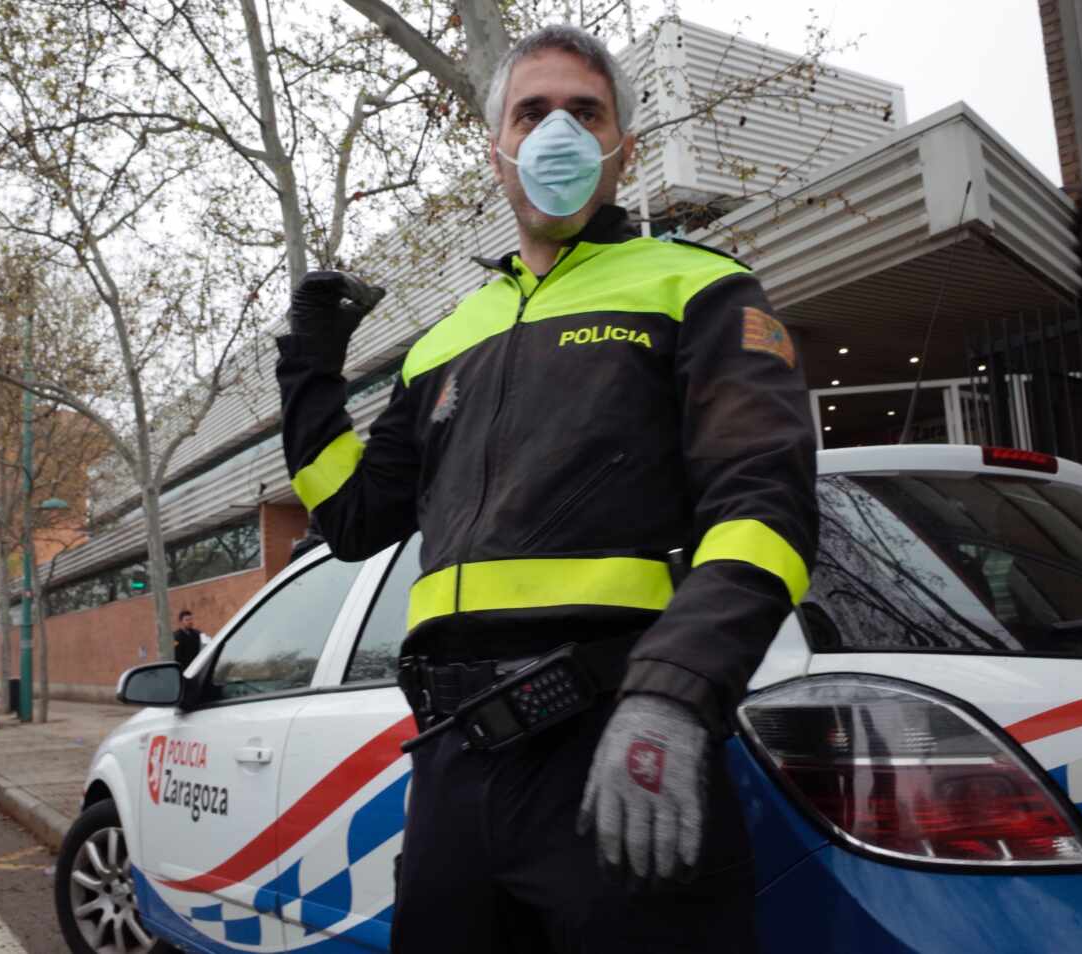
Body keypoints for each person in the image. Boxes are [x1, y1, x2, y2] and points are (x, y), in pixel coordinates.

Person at [276, 24, 817, 953]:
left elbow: (764, 507)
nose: (557, 131)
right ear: (499, 150)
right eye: (533, 112)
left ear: (622, 149)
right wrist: (310, 374)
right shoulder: (450, 337)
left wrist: (673, 693)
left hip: (616, 744)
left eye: (585, 111)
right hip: (456, 762)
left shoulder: (699, 288)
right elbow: (354, 518)